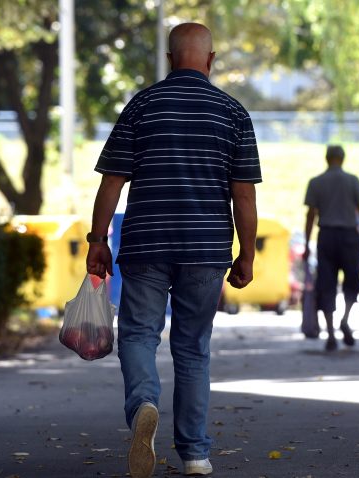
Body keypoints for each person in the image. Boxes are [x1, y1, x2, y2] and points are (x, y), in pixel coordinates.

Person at [85, 23, 260, 478]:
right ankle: (196, 455)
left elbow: (112, 183)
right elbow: (244, 196)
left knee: (140, 335)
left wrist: (98, 239)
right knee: (193, 348)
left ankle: (144, 402)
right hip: (206, 248)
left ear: (169, 58)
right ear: (211, 59)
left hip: (146, 242)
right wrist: (247, 255)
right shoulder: (232, 113)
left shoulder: (142, 105)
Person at [303, 145, 359, 351]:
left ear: (327, 159)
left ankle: (331, 333)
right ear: (342, 159)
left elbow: (310, 215)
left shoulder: (316, 182)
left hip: (326, 236)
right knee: (352, 281)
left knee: (326, 283)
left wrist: (308, 243)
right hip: (349, 237)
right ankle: (345, 319)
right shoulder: (353, 181)